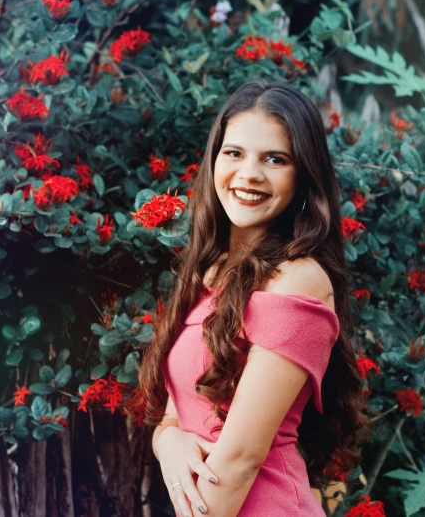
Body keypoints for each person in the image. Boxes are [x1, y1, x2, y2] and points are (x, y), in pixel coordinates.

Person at [136, 79, 371, 517]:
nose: (249, 174)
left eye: (275, 159)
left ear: (303, 176)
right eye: (234, 153)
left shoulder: (298, 280)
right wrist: (168, 442)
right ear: (214, 160)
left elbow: (242, 460)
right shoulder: (209, 271)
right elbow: (175, 415)